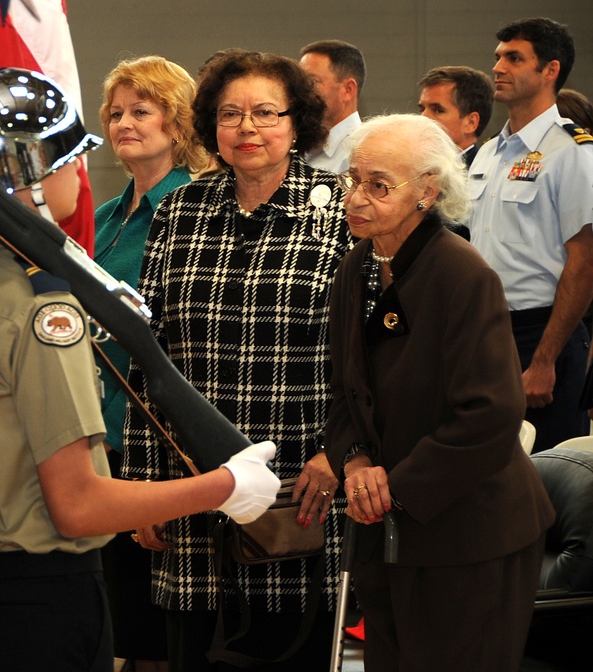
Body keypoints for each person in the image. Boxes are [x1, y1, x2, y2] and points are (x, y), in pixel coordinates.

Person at [0, 67, 282, 672]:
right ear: (30, 176)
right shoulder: (41, 308)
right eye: (67, 162)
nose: (78, 175)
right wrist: (227, 486)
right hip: (43, 601)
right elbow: (77, 505)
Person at [121, 50, 352, 672]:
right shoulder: (180, 212)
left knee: (285, 652)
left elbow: (372, 362)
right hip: (191, 486)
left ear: (298, 123)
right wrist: (144, 486)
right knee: (193, 652)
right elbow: (152, 356)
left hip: (300, 485)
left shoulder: (343, 214)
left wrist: (343, 451)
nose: (247, 129)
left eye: (265, 113)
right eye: (230, 114)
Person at [325, 113, 554, 672]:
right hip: (392, 530)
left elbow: (492, 415)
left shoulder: (462, 274)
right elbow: (343, 392)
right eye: (352, 180)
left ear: (427, 190)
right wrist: (355, 465)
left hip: (471, 534)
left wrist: (391, 488)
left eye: (378, 185)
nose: (356, 197)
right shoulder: (358, 265)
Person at [94, 55, 211, 672]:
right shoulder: (104, 219)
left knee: (155, 633)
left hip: (156, 437)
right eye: (116, 114)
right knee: (120, 627)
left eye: (142, 111)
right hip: (96, 433)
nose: (124, 124)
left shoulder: (195, 209)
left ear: (179, 121)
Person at [467, 17, 593, 453]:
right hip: (484, 333)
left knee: (546, 480)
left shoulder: (573, 151)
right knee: (487, 477)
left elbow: (585, 262)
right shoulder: (487, 152)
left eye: (514, 58)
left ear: (550, 71)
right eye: (498, 57)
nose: (498, 67)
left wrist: (544, 359)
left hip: (542, 332)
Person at [299, 39, 365, 173]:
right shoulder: (299, 145)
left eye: (312, 81)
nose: (301, 91)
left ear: (348, 90)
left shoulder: (361, 153)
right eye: (300, 81)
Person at [417, 65, 494, 166]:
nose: (423, 118)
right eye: (422, 109)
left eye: (438, 110)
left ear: (471, 123)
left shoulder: (483, 174)